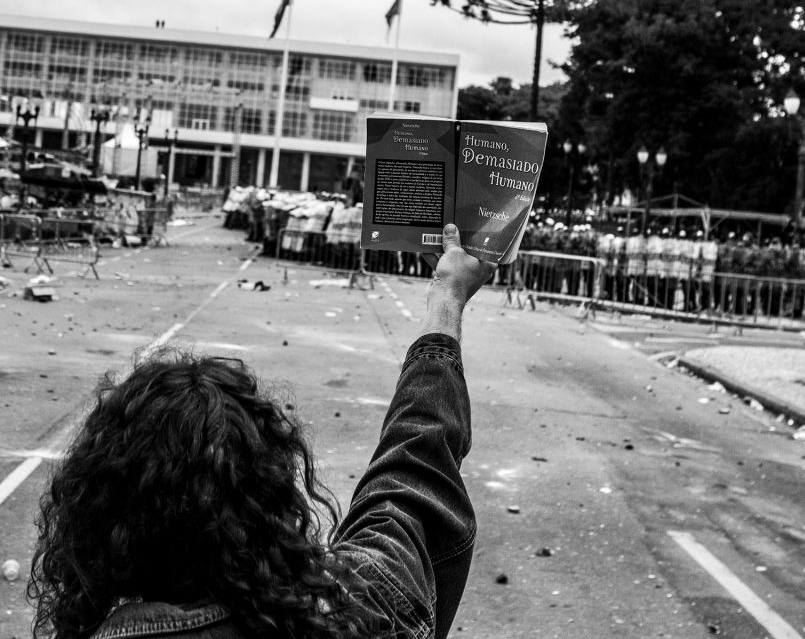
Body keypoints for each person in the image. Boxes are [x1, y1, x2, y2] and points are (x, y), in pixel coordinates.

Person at [28, 223, 495, 639]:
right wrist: (446, 300)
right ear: (270, 500)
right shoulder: (353, 614)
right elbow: (413, 478)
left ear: (96, 517)